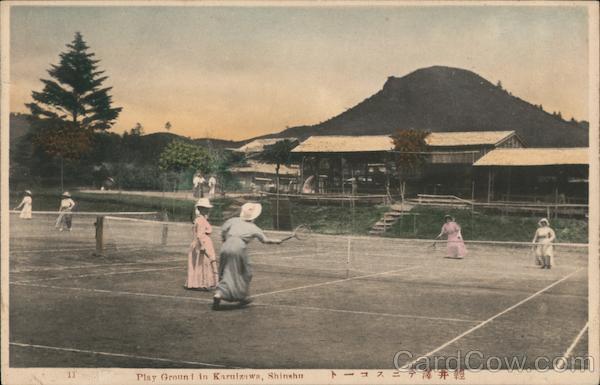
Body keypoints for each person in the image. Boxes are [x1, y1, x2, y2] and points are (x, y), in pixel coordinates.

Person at [212, 202, 282, 310]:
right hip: (239, 247)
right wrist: (277, 241)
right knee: (245, 272)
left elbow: (223, 231)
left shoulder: (233, 221)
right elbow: (265, 240)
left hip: (226, 245)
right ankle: (241, 296)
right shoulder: (254, 228)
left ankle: (219, 293)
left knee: (225, 270)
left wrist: (225, 240)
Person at [185, 198, 218, 290]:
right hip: (202, 243)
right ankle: (201, 283)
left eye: (207, 208)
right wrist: (203, 246)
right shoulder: (201, 220)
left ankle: (200, 283)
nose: (207, 210)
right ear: (200, 209)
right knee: (203, 263)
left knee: (202, 263)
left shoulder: (200, 219)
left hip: (201, 242)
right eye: (205, 208)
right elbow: (199, 235)